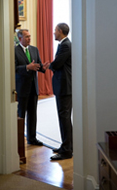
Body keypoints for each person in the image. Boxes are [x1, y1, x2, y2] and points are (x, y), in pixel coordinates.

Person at [15, 29, 50, 146]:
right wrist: (26, 67)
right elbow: (14, 68)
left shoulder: (34, 49)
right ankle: (19, 141)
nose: (29, 39)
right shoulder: (14, 51)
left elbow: (37, 65)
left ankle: (32, 138)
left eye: (30, 36)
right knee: (21, 115)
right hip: (21, 88)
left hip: (33, 88)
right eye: (26, 37)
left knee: (32, 114)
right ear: (20, 39)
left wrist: (43, 67)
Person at [49, 23, 73, 160]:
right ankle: (68, 146)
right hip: (64, 86)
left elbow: (57, 64)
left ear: (60, 31)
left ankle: (66, 151)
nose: (53, 33)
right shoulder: (65, 44)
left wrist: (49, 66)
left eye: (55, 30)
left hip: (64, 87)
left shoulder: (65, 45)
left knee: (64, 118)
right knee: (65, 118)